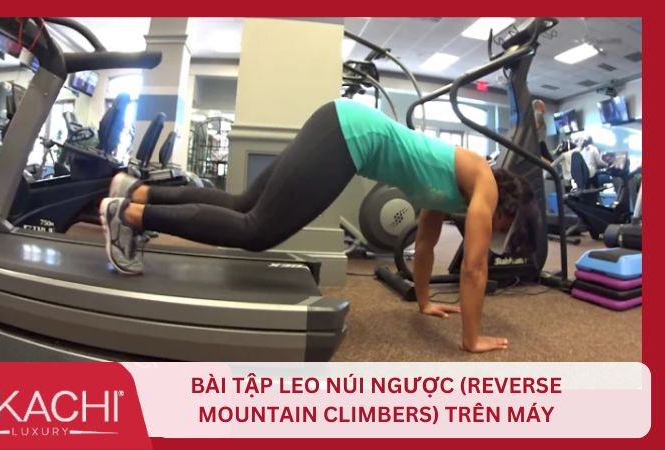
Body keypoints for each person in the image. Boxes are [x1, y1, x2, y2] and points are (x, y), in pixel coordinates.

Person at [100, 99, 540, 353]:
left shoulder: (453, 193)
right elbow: (474, 269)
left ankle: (137, 193)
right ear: (508, 206)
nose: (496, 229)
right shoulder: (483, 182)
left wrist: (424, 302)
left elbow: (424, 246)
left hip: (342, 125)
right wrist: (471, 339)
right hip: (351, 134)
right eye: (505, 225)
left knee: (242, 205)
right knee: (257, 231)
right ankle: (129, 217)